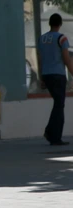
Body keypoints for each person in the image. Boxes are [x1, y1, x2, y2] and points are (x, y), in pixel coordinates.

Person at [38, 13, 73, 146]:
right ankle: (53, 135)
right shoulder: (62, 39)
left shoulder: (42, 38)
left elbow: (40, 59)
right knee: (59, 105)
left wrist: (41, 77)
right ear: (60, 24)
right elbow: (66, 59)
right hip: (58, 75)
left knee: (58, 104)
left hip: (47, 75)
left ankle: (52, 133)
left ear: (50, 23)